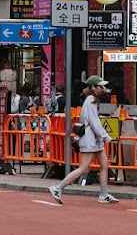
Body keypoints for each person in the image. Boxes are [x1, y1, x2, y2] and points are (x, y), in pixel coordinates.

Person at [49, 75, 119, 204]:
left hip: (94, 139)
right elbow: (94, 122)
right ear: (93, 87)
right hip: (90, 139)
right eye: (100, 86)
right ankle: (58, 188)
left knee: (104, 165)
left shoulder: (91, 99)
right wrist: (105, 136)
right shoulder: (91, 99)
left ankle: (104, 194)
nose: (102, 88)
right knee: (84, 168)